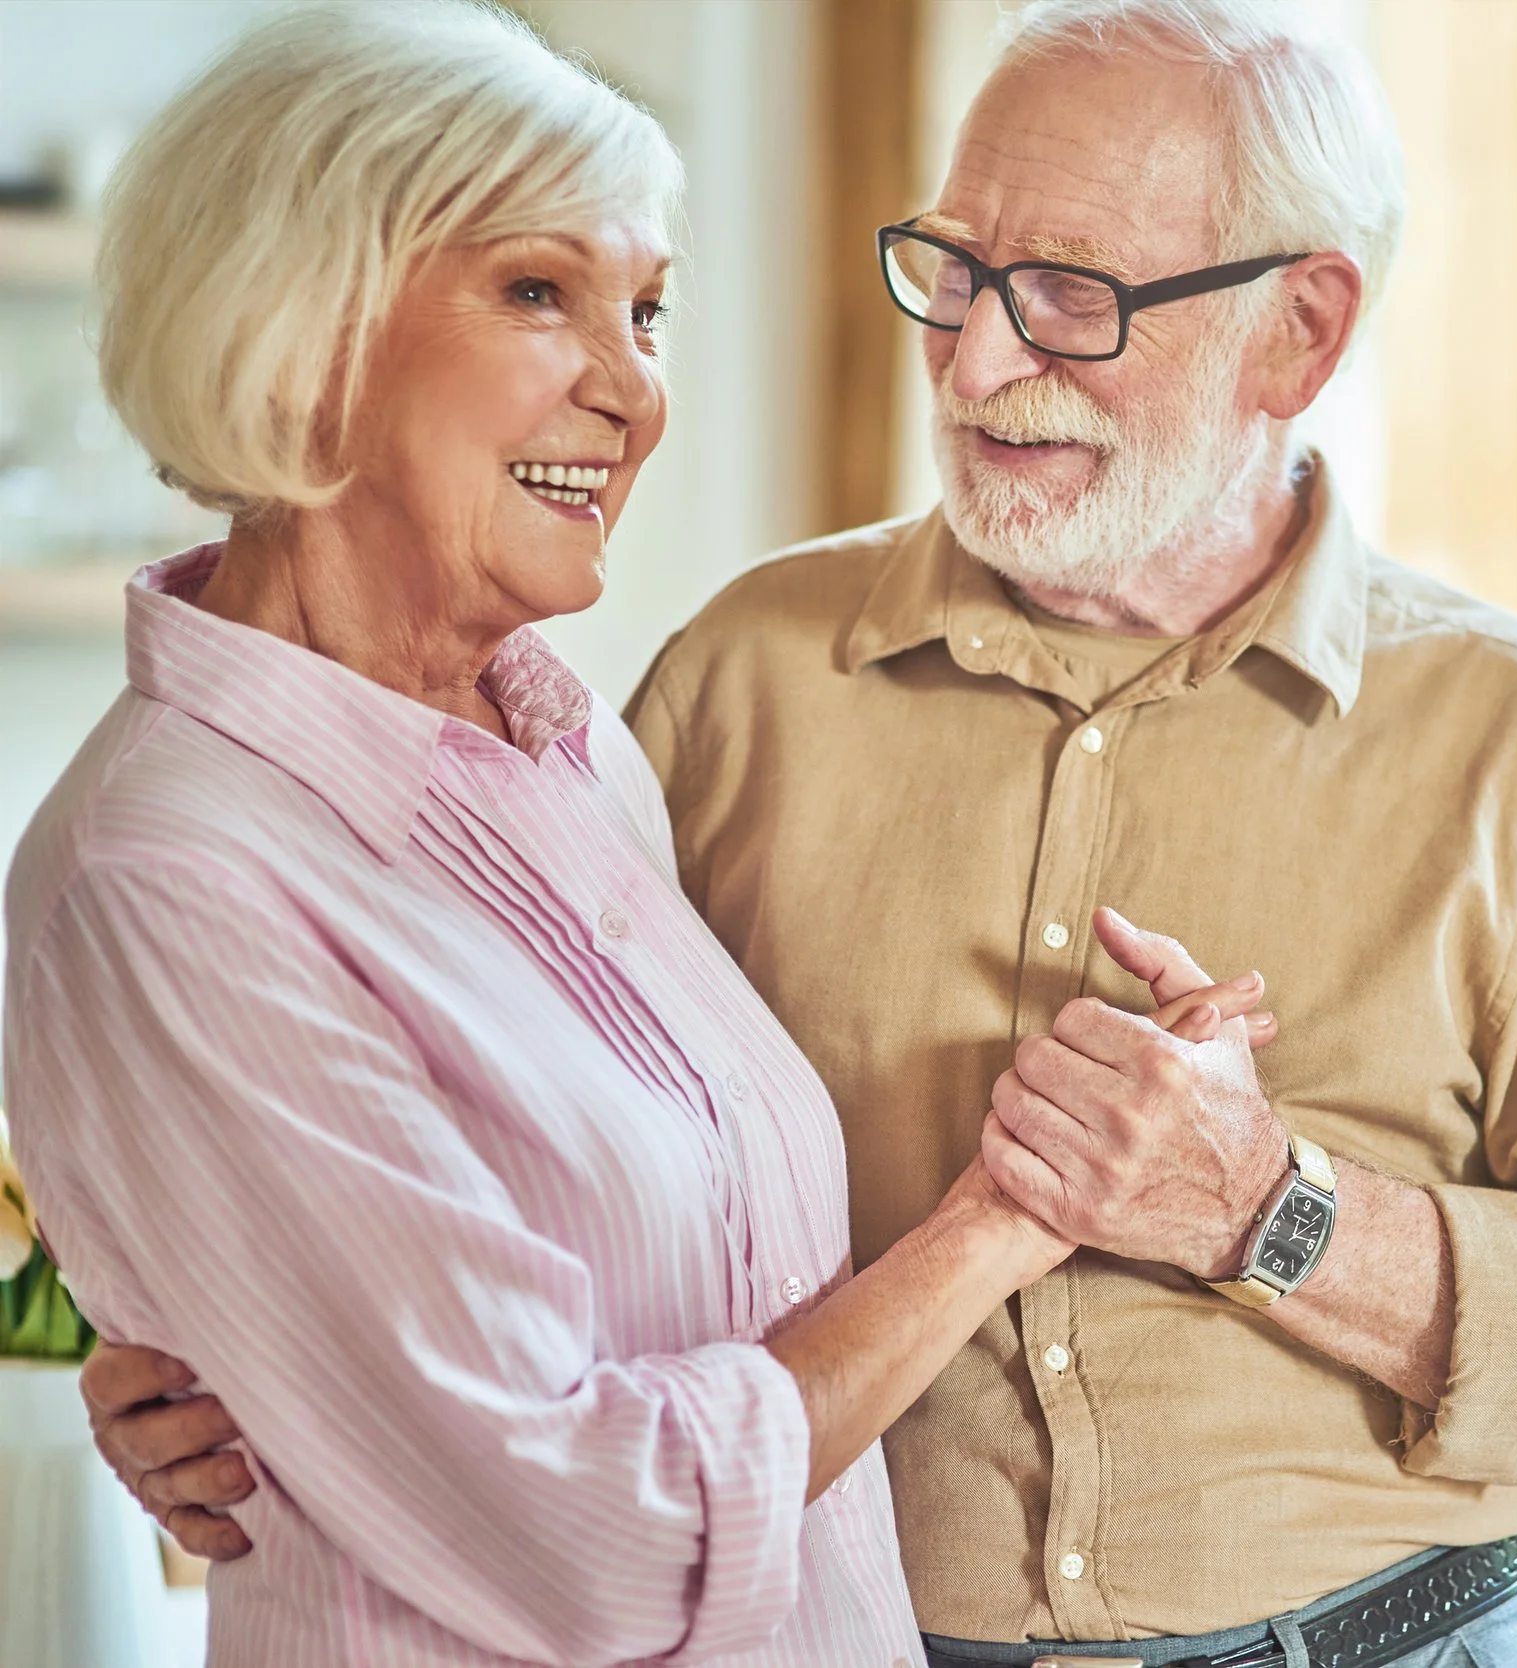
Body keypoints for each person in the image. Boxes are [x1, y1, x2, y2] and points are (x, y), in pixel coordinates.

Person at [94, 3, 1517, 1666]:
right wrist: (253, 1373)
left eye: (1070, 294)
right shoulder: (735, 686)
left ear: (1298, 333)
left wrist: (1270, 1213)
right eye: (957, 269)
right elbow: (484, 1149)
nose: (980, 360)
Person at [6, 6, 1271, 1664]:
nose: (632, 390)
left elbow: (606, 1285)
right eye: (539, 292)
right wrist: (1019, 1211)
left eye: (650, 310)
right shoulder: (163, 878)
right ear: (303, 327)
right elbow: (586, 1540)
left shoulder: (569, 752)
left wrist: (279, 1360)